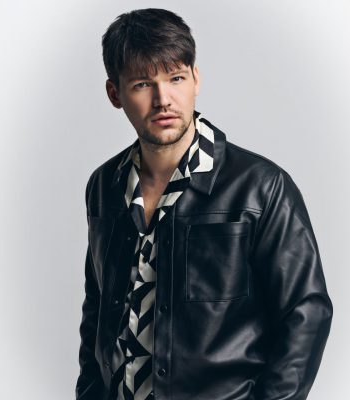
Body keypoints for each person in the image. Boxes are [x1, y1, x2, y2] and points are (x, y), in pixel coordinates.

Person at [76, 8, 333, 400]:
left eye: (176, 78)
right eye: (143, 84)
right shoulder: (104, 186)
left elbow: (306, 313)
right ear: (115, 93)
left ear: (196, 79)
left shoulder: (260, 187)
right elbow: (97, 308)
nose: (163, 99)